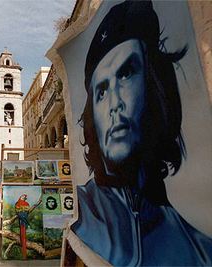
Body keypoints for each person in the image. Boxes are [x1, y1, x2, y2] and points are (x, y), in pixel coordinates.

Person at [71, 1, 212, 266]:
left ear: (155, 86)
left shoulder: (201, 251)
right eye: (101, 91)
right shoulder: (79, 217)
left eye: (126, 74)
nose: (114, 103)